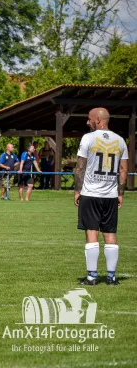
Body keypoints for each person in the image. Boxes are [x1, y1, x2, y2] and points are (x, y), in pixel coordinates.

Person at [74, 108, 128, 286]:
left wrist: (77, 190)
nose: (87, 122)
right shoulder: (120, 141)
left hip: (90, 194)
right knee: (110, 235)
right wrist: (120, 193)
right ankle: (111, 277)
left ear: (97, 119)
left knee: (92, 233)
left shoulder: (88, 138)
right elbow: (123, 169)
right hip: (110, 195)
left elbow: (80, 167)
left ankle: (92, 276)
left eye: (89, 119)